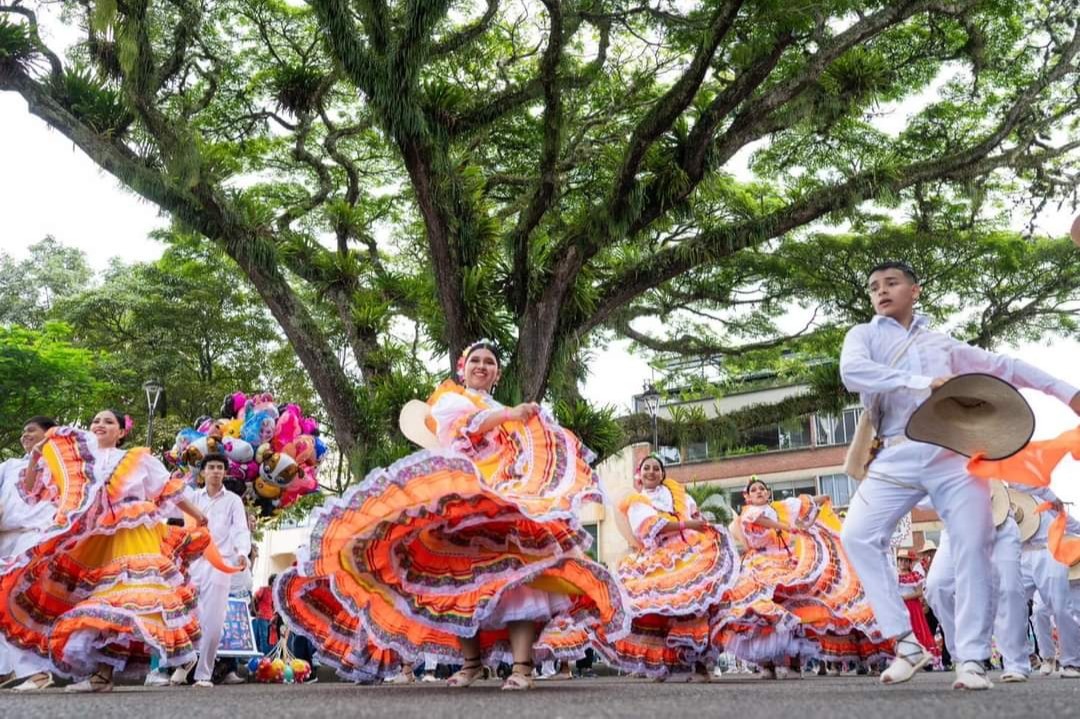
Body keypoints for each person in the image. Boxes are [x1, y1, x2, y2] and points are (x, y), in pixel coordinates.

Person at [278, 339, 629, 690]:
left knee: (521, 582)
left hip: (509, 504)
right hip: (463, 503)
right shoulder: (451, 400)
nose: (482, 366)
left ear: (497, 374)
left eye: (489, 362)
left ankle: (522, 668)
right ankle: (471, 664)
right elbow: (465, 427)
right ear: (463, 368)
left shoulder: (508, 412)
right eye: (476, 360)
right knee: (459, 585)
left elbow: (530, 451)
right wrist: (510, 415)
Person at [838, 261, 1080, 690]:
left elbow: (1006, 367)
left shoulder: (942, 344)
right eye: (874, 286)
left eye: (892, 283)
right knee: (856, 536)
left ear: (915, 290)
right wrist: (922, 382)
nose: (881, 291)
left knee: (973, 547)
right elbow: (852, 372)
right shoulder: (864, 336)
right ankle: (906, 643)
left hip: (951, 455)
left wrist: (1067, 392)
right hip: (894, 453)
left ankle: (971, 659)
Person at [0, 410, 211, 692]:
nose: (100, 425)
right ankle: (92, 674)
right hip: (93, 537)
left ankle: (104, 674)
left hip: (132, 535)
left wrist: (198, 515)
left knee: (121, 599)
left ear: (121, 432)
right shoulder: (79, 460)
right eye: (96, 421)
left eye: (109, 422)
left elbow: (167, 489)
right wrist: (36, 457)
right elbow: (32, 491)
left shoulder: (138, 458)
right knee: (85, 600)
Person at [720, 478, 885, 678]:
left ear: (768, 492)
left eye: (762, 488)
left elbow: (807, 502)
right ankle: (767, 666)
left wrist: (824, 499)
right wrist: (785, 526)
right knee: (762, 611)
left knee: (797, 610)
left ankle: (794, 664)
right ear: (747, 496)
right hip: (760, 565)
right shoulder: (747, 513)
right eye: (754, 490)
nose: (759, 492)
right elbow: (757, 520)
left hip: (787, 563)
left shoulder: (782, 507)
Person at [605, 454, 740, 681]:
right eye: (646, 468)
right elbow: (651, 527)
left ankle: (699, 665)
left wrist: (697, 521)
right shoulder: (637, 501)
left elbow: (695, 515)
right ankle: (666, 664)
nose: (651, 472)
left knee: (697, 606)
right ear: (639, 475)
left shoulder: (678, 495)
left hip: (690, 552)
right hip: (660, 557)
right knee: (664, 611)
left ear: (663, 474)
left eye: (656, 468)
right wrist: (688, 523)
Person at [171, 453, 251, 687]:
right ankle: (184, 661)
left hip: (219, 564)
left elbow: (240, 529)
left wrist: (242, 552)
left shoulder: (233, 500)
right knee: (182, 615)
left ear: (224, 472)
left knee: (214, 620)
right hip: (192, 564)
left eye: (219, 467)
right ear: (203, 472)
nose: (216, 471)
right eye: (211, 467)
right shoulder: (192, 498)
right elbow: (170, 511)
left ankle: (203, 674)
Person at [0, 416, 59, 691]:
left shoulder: (60, 465)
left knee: (26, 603)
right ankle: (6, 669)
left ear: (49, 434)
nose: (25, 435)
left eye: (31, 431)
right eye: (23, 431)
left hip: (37, 536)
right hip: (6, 537)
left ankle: (39, 671)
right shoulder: (10, 465)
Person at [896, 549, 940, 669]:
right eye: (901, 560)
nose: (903, 563)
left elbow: (919, 592)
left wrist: (904, 598)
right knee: (902, 633)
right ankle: (905, 659)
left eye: (906, 561)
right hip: (900, 608)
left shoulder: (915, 576)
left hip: (913, 608)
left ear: (910, 563)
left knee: (918, 631)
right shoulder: (895, 576)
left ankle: (924, 658)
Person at [252, 574, 277, 655]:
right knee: (264, 637)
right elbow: (253, 598)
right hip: (262, 616)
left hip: (271, 618)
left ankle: (268, 656)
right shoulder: (264, 589)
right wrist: (255, 611)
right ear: (272, 581)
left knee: (269, 638)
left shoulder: (274, 593)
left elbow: (274, 606)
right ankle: (265, 656)